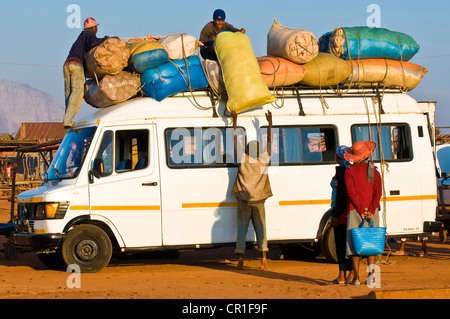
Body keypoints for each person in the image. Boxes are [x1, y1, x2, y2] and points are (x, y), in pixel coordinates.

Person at [231, 110, 272, 270]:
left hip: (244, 202)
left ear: (247, 150)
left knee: (241, 230)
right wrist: (270, 123)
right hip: (259, 202)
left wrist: (235, 121)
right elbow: (269, 142)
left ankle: (240, 257)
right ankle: (263, 259)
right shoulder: (263, 161)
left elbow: (235, 140)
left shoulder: (243, 159)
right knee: (261, 230)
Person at [344, 141, 382, 285]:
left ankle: (356, 277)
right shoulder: (375, 171)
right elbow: (378, 192)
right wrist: (370, 210)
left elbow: (351, 193)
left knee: (354, 244)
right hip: (372, 210)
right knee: (371, 243)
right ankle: (372, 277)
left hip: (355, 210)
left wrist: (361, 210)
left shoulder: (349, 171)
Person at [63, 17, 109, 128]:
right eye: (96, 27)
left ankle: (68, 118)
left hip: (67, 64)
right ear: (93, 27)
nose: (96, 29)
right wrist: (106, 39)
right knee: (77, 92)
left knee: (69, 93)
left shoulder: (81, 36)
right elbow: (94, 43)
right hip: (76, 65)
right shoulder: (89, 34)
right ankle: (68, 120)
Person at [328, 145, 353, 285]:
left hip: (342, 214)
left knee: (341, 246)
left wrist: (335, 214)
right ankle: (350, 275)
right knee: (349, 246)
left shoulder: (342, 172)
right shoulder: (349, 169)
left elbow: (342, 196)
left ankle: (342, 276)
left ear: (338, 157)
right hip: (348, 212)